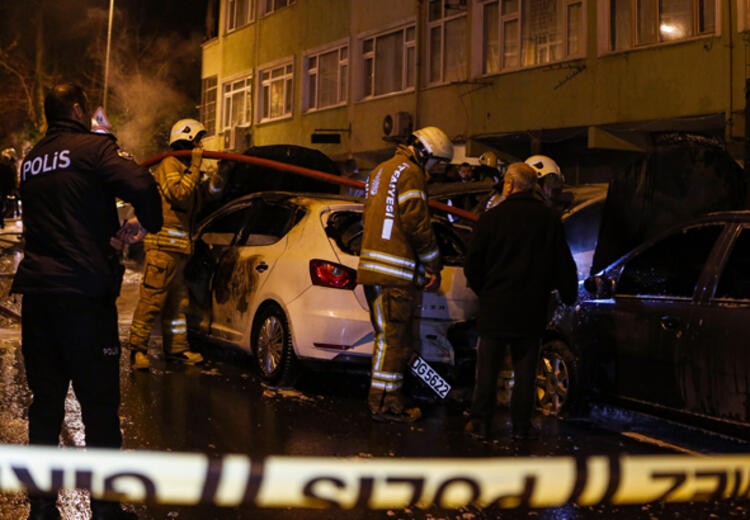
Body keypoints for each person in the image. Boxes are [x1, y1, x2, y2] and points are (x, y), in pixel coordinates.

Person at [12, 83, 163, 519]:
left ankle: (41, 507)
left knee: (45, 404)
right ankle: (105, 508)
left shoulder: (32, 161)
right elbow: (142, 183)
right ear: (78, 110)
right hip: (83, 296)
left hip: (39, 297)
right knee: (98, 406)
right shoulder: (94, 150)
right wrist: (143, 224)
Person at [463, 162, 577, 440]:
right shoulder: (549, 220)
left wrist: (485, 290)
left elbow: (472, 264)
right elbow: (564, 264)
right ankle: (521, 427)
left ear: (511, 185)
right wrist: (567, 294)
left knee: (488, 368)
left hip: (496, 306)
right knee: (525, 370)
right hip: (532, 308)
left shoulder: (492, 219)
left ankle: (480, 422)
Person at [357, 126, 453, 423]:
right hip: (394, 274)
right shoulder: (410, 174)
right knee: (392, 340)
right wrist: (433, 263)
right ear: (423, 153)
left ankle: (387, 398)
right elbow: (416, 223)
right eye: (437, 163)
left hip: (373, 270)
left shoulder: (380, 171)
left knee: (389, 338)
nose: (436, 172)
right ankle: (385, 403)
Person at [128, 118, 225, 370]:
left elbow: (201, 200)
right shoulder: (170, 164)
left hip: (179, 251)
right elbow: (180, 195)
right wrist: (194, 165)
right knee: (151, 303)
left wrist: (216, 179)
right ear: (187, 138)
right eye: (198, 139)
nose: (201, 145)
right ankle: (137, 350)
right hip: (162, 250)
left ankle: (177, 349)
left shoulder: (186, 168)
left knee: (177, 305)